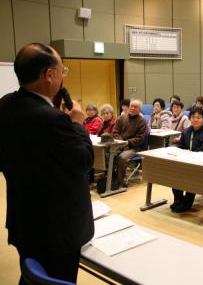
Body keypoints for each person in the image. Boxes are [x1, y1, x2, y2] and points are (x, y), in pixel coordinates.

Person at [0, 43, 94, 283]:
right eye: (62, 70)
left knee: (33, 277)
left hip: (24, 220)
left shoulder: (5, 104)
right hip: (57, 232)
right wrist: (76, 123)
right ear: (49, 75)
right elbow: (84, 160)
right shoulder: (52, 120)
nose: (63, 76)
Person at [170, 108, 203, 213]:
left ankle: (188, 201)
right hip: (187, 161)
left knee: (191, 175)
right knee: (174, 172)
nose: (195, 120)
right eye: (193, 117)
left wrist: (190, 154)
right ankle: (178, 199)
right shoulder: (187, 131)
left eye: (198, 118)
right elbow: (181, 146)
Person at [112, 99, 148, 187]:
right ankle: (111, 179)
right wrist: (122, 143)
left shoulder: (142, 121)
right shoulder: (121, 118)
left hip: (135, 148)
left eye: (135, 107)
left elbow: (140, 138)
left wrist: (127, 143)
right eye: (131, 106)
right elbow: (115, 132)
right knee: (109, 154)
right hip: (120, 145)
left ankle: (121, 182)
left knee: (122, 157)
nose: (132, 108)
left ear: (139, 109)